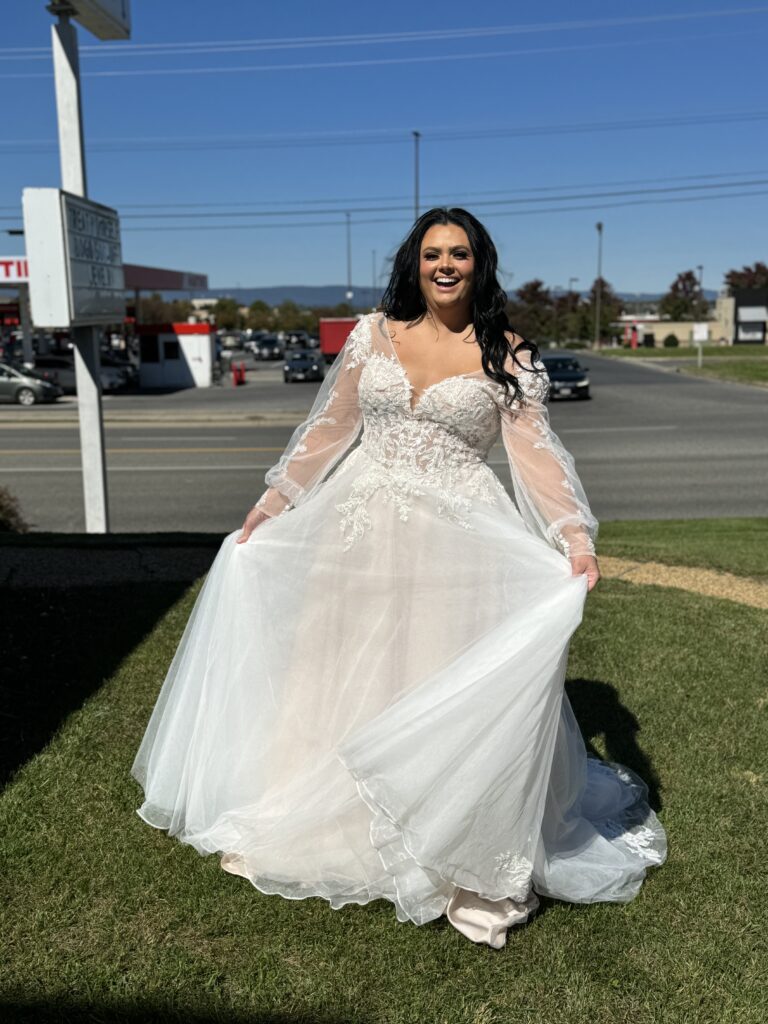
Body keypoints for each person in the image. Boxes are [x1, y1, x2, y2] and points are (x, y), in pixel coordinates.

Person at [132, 208, 666, 949]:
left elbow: (535, 457)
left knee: (430, 674)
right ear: (413, 264)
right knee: (337, 667)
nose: (444, 265)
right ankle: (313, 819)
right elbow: (329, 428)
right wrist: (272, 502)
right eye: (431, 253)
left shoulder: (507, 355)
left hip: (455, 540)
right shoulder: (373, 334)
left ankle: (449, 846)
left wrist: (574, 537)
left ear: (480, 264)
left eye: (459, 254)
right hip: (359, 527)